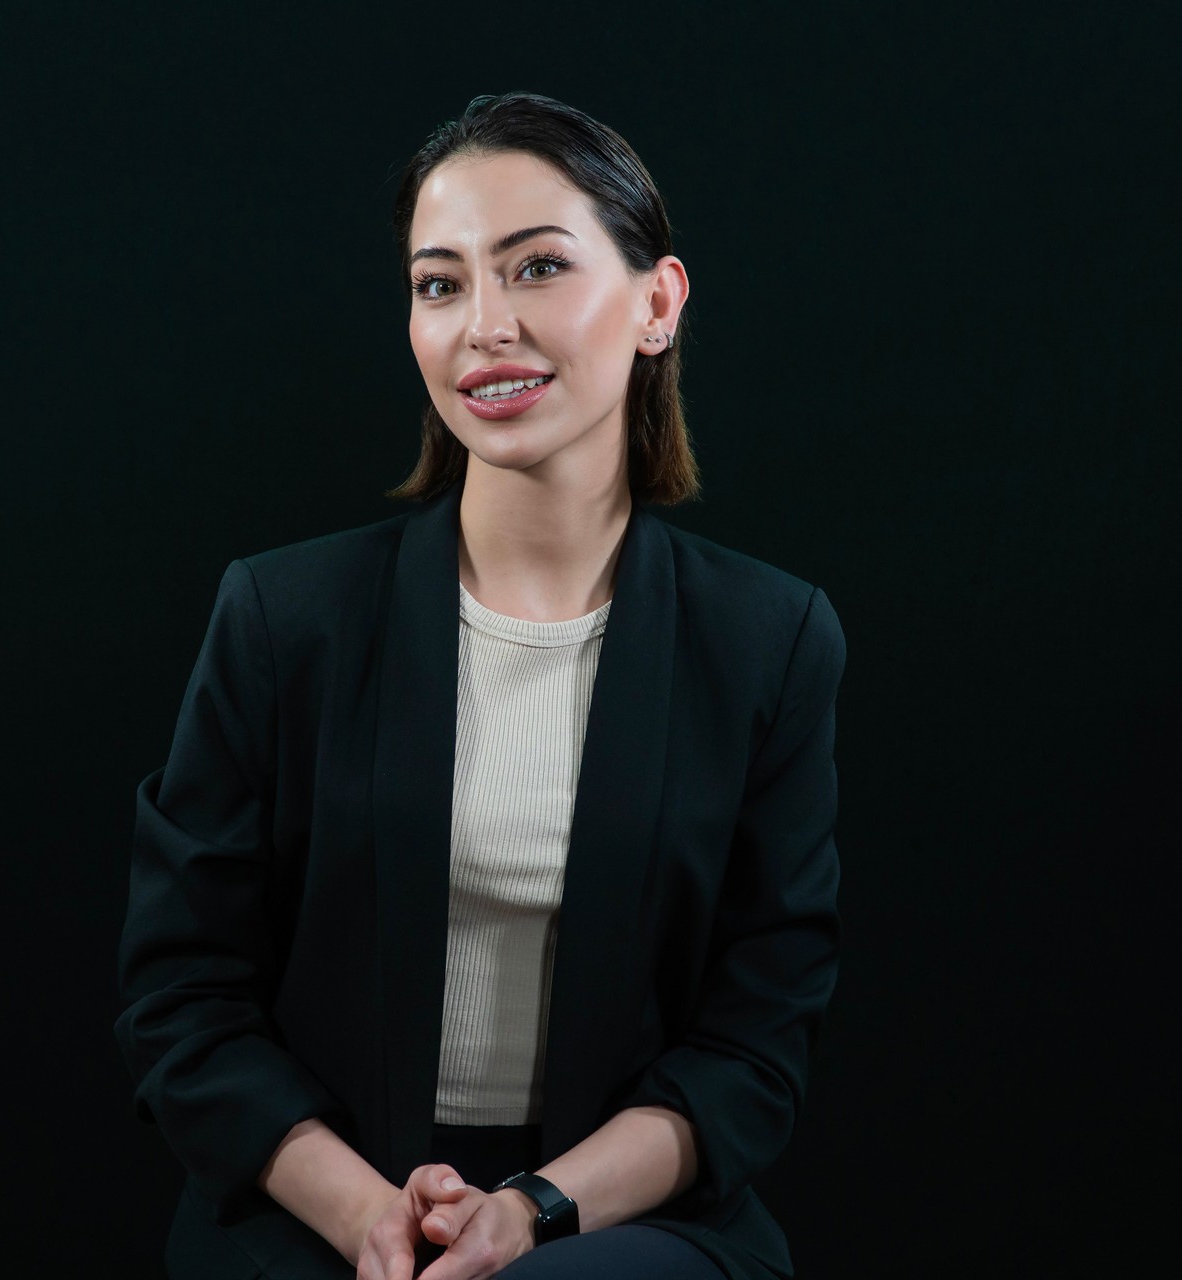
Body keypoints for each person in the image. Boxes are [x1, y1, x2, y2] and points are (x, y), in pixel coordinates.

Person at [115, 91, 846, 1280]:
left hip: (618, 1216)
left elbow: (752, 1050)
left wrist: (536, 1207)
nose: (483, 326)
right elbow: (180, 999)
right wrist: (365, 1210)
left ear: (657, 303)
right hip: (322, 1202)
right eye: (440, 283)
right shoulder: (282, 618)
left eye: (538, 267)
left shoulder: (769, 641)